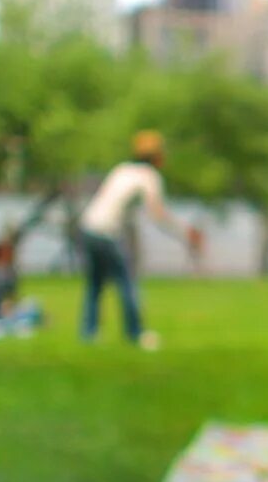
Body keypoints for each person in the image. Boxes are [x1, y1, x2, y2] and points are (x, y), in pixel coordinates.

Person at [79, 130, 193, 349]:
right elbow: (157, 214)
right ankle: (135, 333)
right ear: (156, 156)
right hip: (106, 232)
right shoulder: (148, 176)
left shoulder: (122, 169)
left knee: (95, 285)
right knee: (127, 282)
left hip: (88, 227)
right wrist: (184, 232)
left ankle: (89, 333)